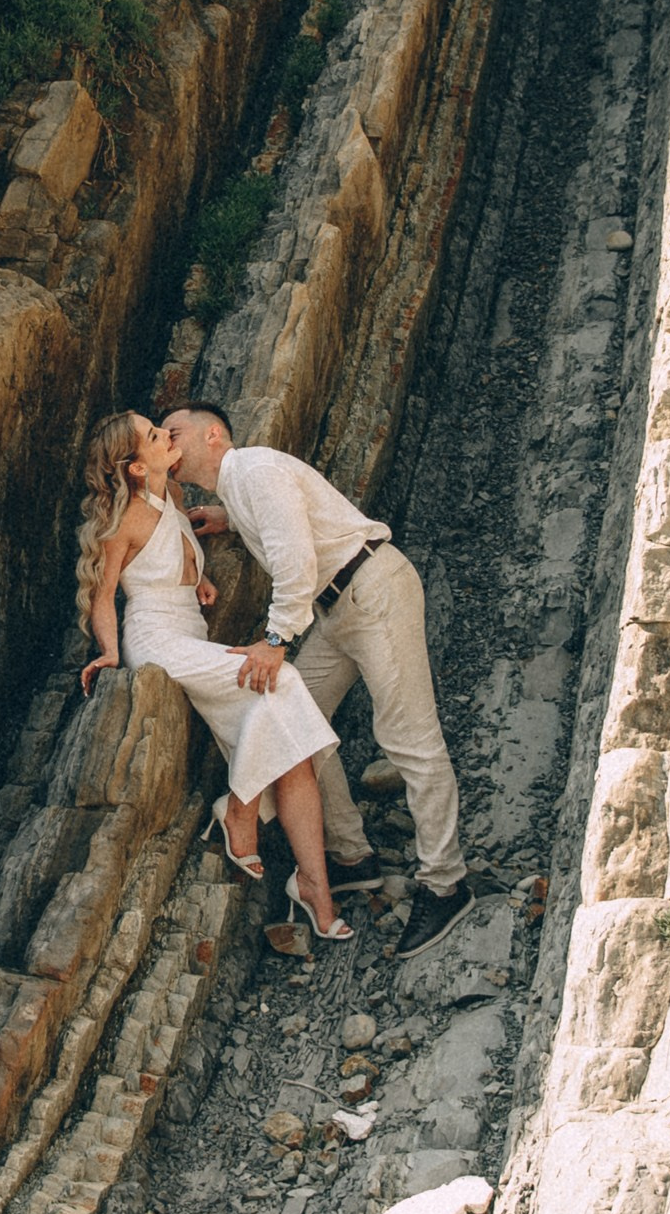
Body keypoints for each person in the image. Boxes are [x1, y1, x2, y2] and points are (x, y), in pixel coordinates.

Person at [163, 403, 472, 955]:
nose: (165, 442)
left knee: (410, 740)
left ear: (213, 435)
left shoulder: (253, 470)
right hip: (341, 610)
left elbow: (296, 560)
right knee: (300, 724)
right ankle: (352, 856)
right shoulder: (242, 486)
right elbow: (286, 518)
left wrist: (276, 640)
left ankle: (446, 884)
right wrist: (227, 519)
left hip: (372, 592)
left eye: (174, 432)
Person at [76, 409, 353, 941]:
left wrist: (196, 582)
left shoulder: (175, 500)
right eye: (156, 436)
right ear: (136, 467)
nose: (167, 435)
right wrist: (109, 653)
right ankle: (242, 808)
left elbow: (178, 553)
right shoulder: (126, 518)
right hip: (156, 640)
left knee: (288, 742)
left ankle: (315, 888)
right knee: (284, 681)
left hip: (191, 632)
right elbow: (103, 592)